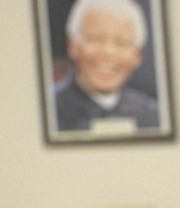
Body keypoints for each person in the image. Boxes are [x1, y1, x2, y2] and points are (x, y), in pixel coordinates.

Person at [52, 0, 160, 134]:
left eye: (122, 43)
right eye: (95, 39)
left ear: (137, 55)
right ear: (73, 46)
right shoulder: (49, 113)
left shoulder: (154, 116)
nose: (108, 52)